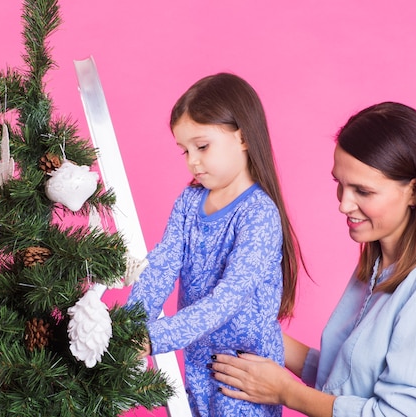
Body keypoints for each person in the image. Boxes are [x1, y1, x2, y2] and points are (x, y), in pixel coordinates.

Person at [211, 101, 416, 417]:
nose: (344, 204)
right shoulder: (378, 265)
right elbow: (347, 380)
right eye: (340, 184)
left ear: (415, 192)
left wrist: (285, 391)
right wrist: (260, 333)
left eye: (363, 191)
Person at [126, 73, 303, 416]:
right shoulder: (190, 201)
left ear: (243, 138)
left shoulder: (258, 215)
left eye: (202, 146)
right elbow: (162, 264)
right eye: (185, 150)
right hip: (199, 364)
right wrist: (130, 326)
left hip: (245, 374)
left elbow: (227, 299)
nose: (193, 161)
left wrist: (154, 338)